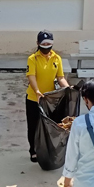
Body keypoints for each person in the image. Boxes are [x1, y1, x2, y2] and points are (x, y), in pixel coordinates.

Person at [25, 30, 70, 162]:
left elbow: (60, 77)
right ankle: (33, 150)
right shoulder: (33, 59)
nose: (46, 46)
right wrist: (37, 91)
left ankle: (48, 149)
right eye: (43, 43)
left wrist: (68, 88)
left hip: (50, 99)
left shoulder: (57, 58)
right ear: (38, 43)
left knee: (50, 126)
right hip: (34, 98)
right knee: (34, 126)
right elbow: (31, 76)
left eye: (48, 43)